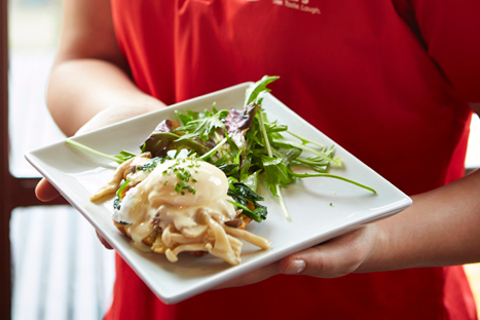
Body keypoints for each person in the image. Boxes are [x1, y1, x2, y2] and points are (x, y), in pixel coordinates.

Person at [36, 0, 480, 319]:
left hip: (374, 301)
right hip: (155, 293)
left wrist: (379, 238)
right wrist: (129, 121)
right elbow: (84, 57)